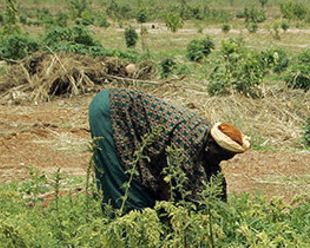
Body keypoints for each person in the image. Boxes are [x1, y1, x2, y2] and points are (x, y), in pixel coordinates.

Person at [88, 88, 251, 214]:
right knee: (122, 177)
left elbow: (213, 179)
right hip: (113, 109)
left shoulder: (204, 140)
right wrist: (174, 217)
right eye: (222, 156)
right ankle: (124, 230)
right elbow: (170, 185)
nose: (220, 162)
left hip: (124, 111)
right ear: (211, 144)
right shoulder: (186, 140)